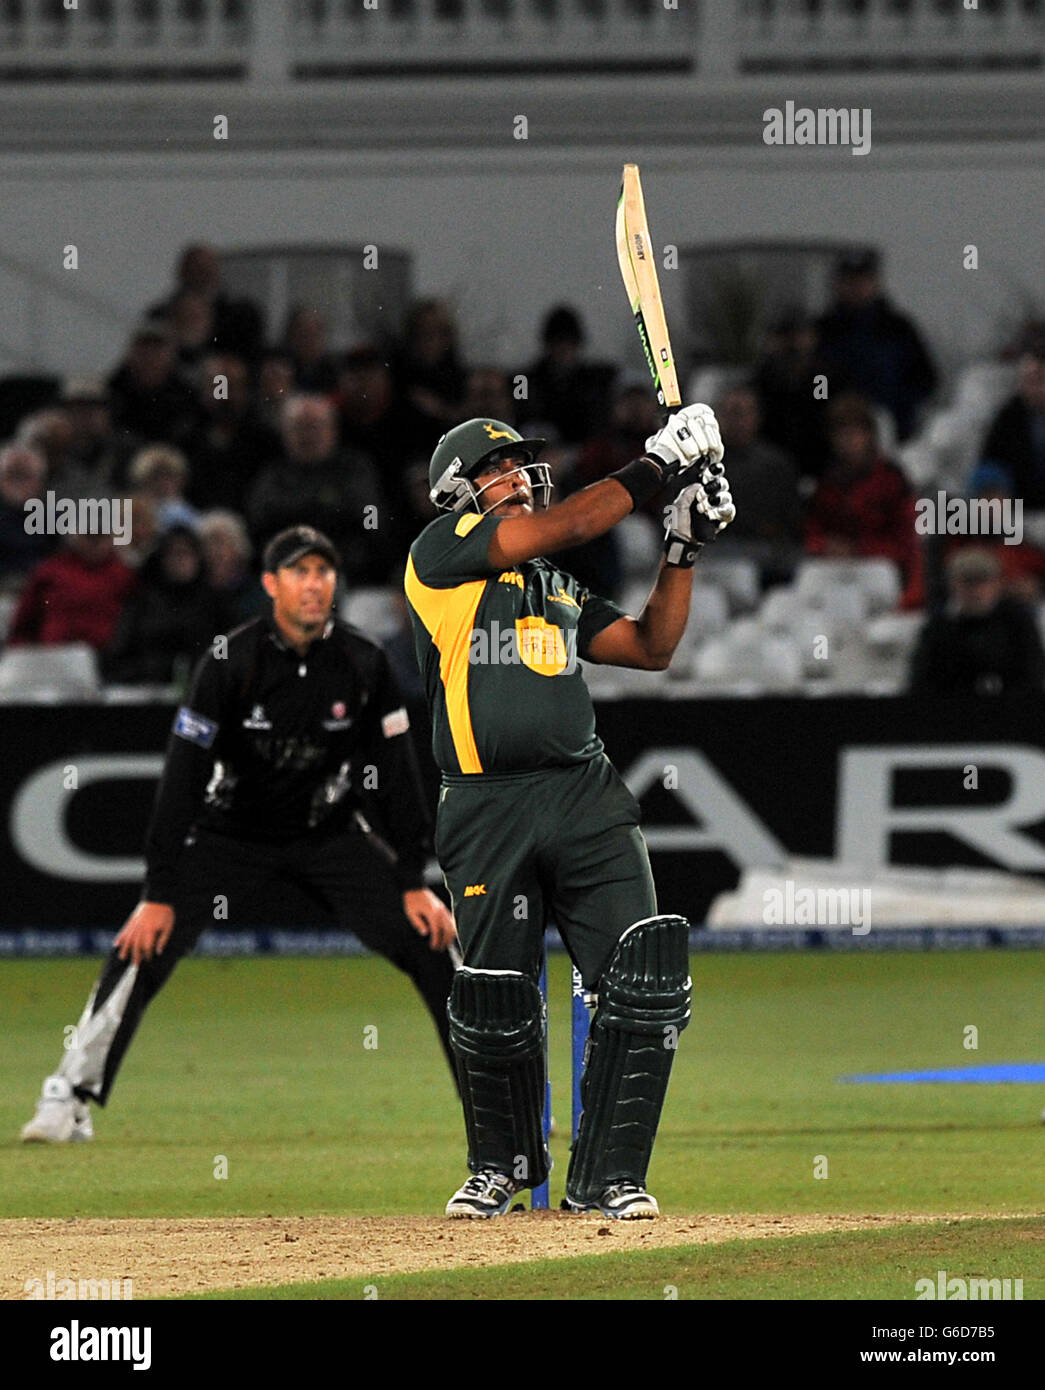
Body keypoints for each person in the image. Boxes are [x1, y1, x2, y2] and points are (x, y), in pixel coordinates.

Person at [21, 525, 458, 1144]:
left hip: (328, 832)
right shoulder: (231, 661)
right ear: (270, 585)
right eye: (300, 572)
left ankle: (497, 1109)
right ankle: (67, 1099)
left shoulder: (365, 662)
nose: (315, 584)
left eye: (324, 572)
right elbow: (182, 776)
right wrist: (157, 891)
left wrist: (414, 881)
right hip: (230, 832)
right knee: (140, 945)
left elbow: (396, 776)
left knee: (435, 942)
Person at [405, 408, 734, 1220]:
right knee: (494, 993)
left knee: (643, 975)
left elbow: (650, 647)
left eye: (523, 464)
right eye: (499, 468)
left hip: (584, 795)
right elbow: (576, 520)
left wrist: (680, 548)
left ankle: (609, 1177)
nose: (519, 478)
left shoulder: (552, 583)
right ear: (457, 490)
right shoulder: (438, 553)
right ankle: (499, 1166)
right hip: (484, 805)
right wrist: (657, 467)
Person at [908, 547, 1045, 696]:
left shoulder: (1018, 621)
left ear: (997, 583)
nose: (976, 591)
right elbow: (923, 681)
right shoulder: (939, 627)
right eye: (968, 583)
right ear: (953, 585)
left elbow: (1033, 674)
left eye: (983, 582)